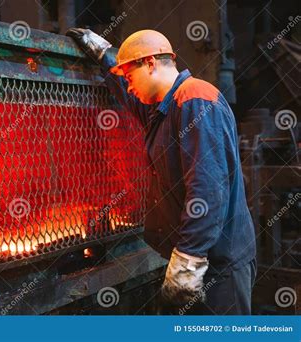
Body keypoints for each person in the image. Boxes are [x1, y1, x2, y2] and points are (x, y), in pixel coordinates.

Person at [67, 28, 256, 314]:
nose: (128, 86)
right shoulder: (164, 109)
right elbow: (128, 95)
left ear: (151, 64)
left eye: (130, 77)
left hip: (219, 266)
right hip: (201, 258)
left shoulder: (195, 100)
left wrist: (188, 261)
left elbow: (207, 189)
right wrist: (105, 54)